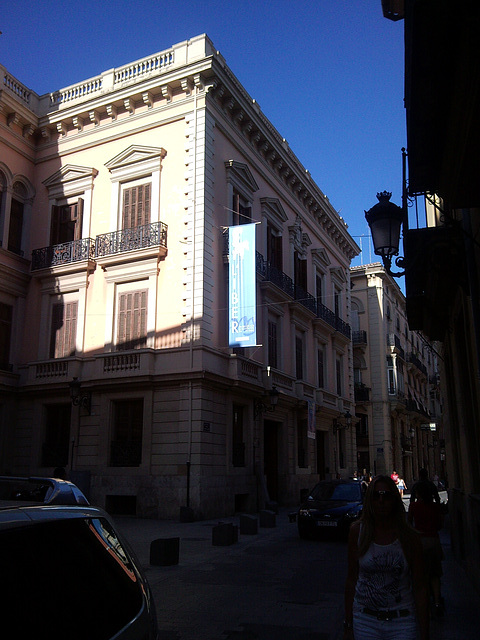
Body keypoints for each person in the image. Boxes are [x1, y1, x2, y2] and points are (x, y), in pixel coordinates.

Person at [343, 475, 429, 640]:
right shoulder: (357, 532)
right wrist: (348, 624)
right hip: (365, 620)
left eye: (386, 495)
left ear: (395, 500)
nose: (381, 501)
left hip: (402, 621)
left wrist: (425, 633)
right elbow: (351, 579)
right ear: (369, 501)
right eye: (376, 496)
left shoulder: (410, 538)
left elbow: (420, 587)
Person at [408, 481, 444, 616]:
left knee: (420, 574)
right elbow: (440, 524)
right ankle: (436, 601)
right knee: (435, 574)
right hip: (434, 541)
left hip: (420, 542)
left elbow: (409, 523)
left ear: (418, 493)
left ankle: (422, 603)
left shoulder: (414, 506)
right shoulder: (435, 507)